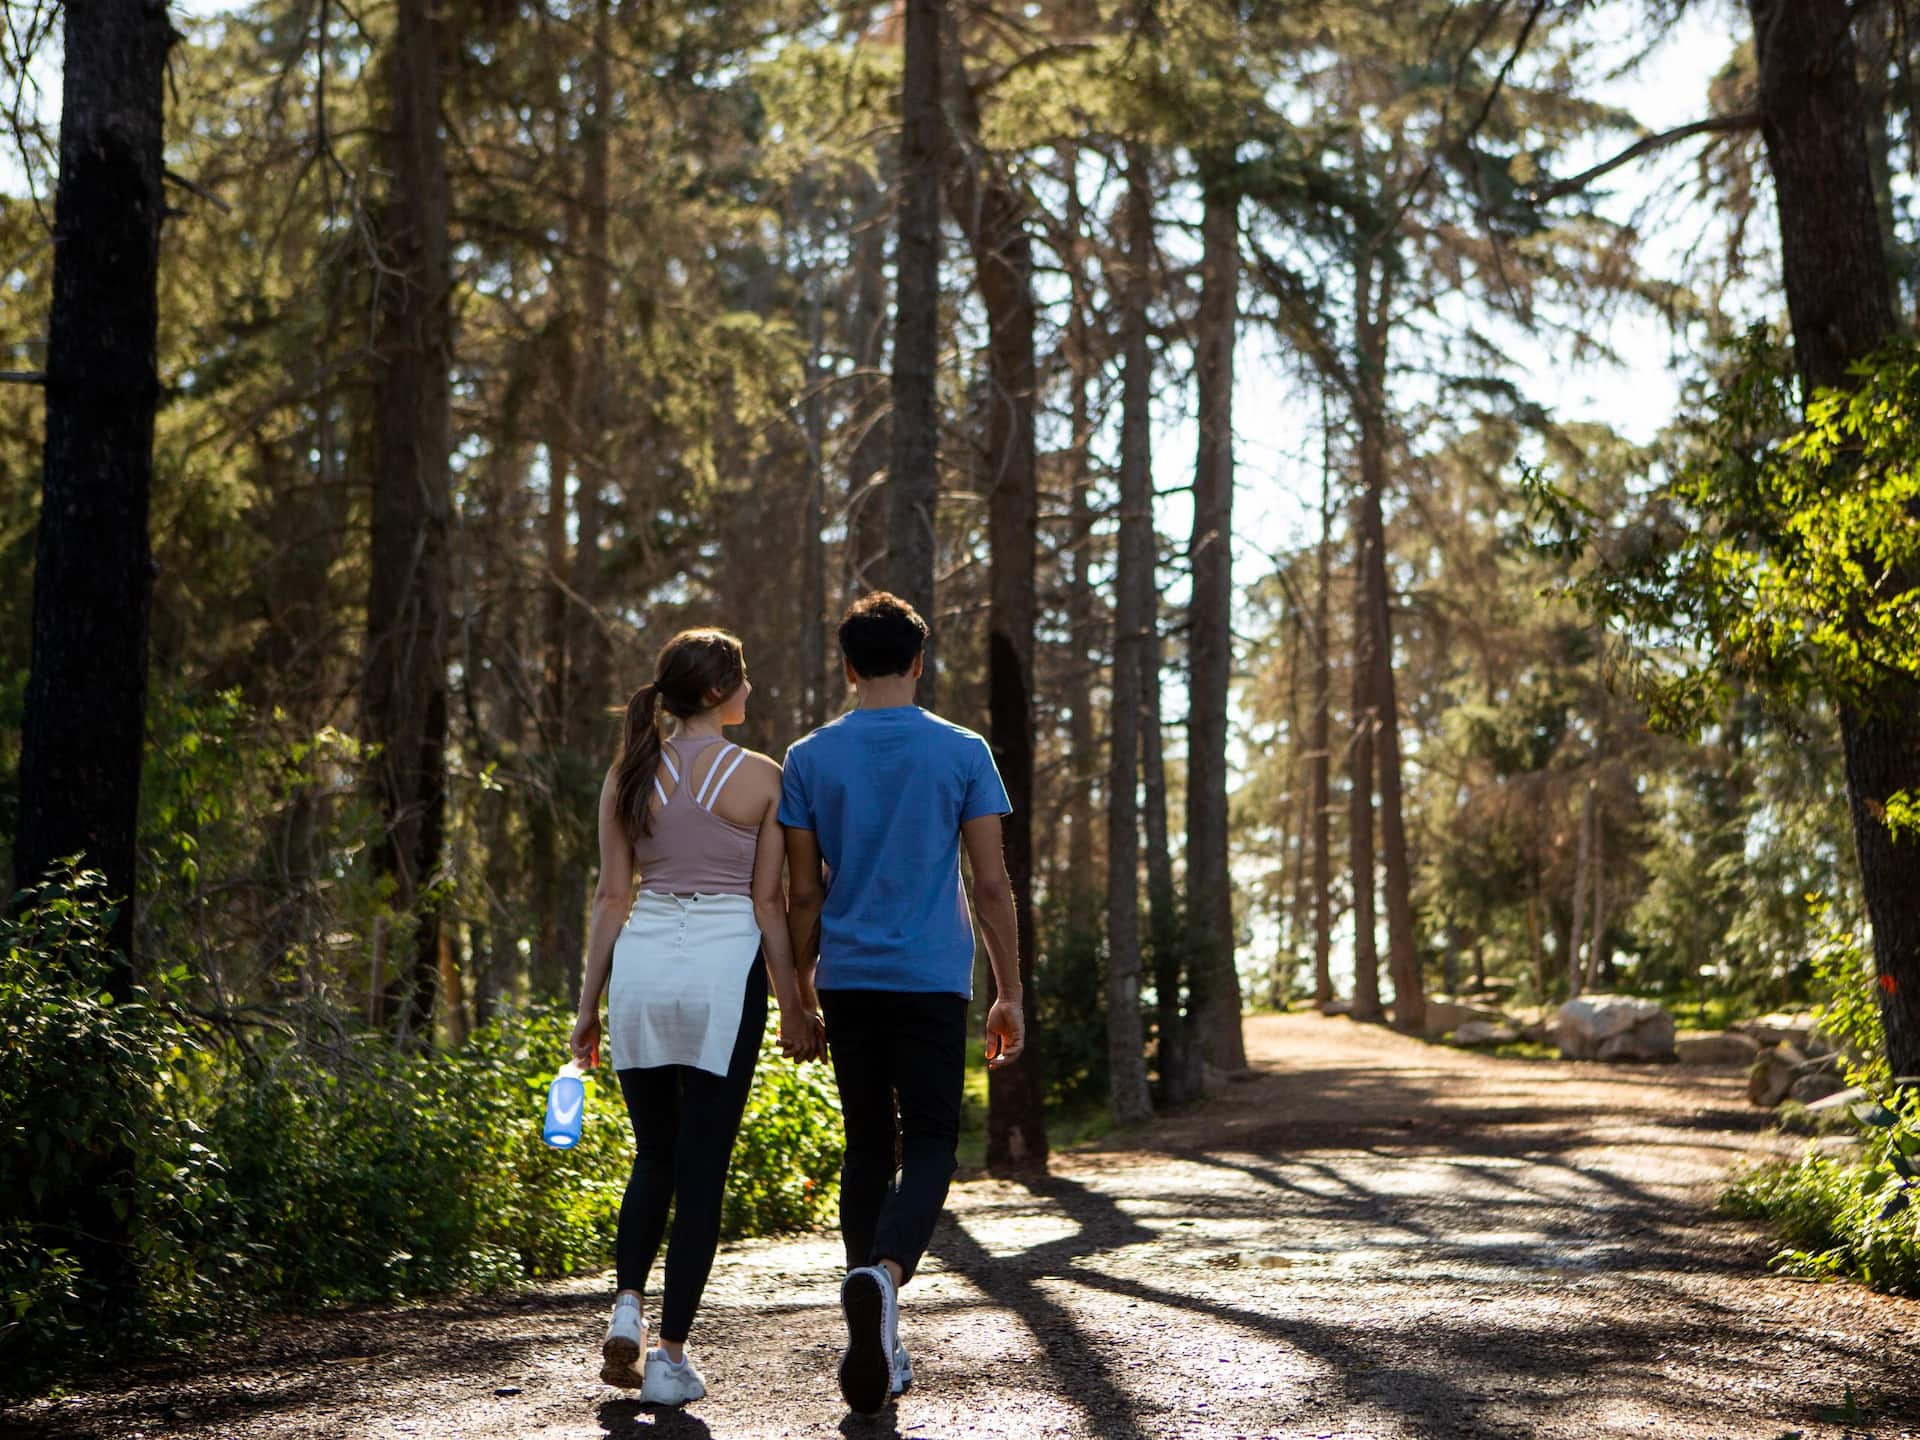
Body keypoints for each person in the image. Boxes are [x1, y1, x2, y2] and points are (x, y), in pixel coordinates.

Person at [779, 591, 1027, 1416]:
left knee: (864, 1147)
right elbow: (991, 885)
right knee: (927, 1144)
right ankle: (883, 1281)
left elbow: (804, 895)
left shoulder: (809, 758)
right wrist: (1009, 993)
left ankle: (877, 1329)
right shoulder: (963, 751)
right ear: (919, 662)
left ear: (848, 666)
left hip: (849, 978)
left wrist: (799, 993)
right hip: (930, 978)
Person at [570, 628, 825, 1406]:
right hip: (722, 973)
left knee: (654, 1155)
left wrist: (586, 1010)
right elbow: (769, 905)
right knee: (702, 1170)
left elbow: (613, 898)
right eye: (743, 680)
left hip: (642, 969)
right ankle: (671, 1357)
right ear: (717, 693)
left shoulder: (629, 772)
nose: (752, 691)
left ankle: (625, 1306)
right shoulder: (762, 777)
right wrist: (795, 1005)